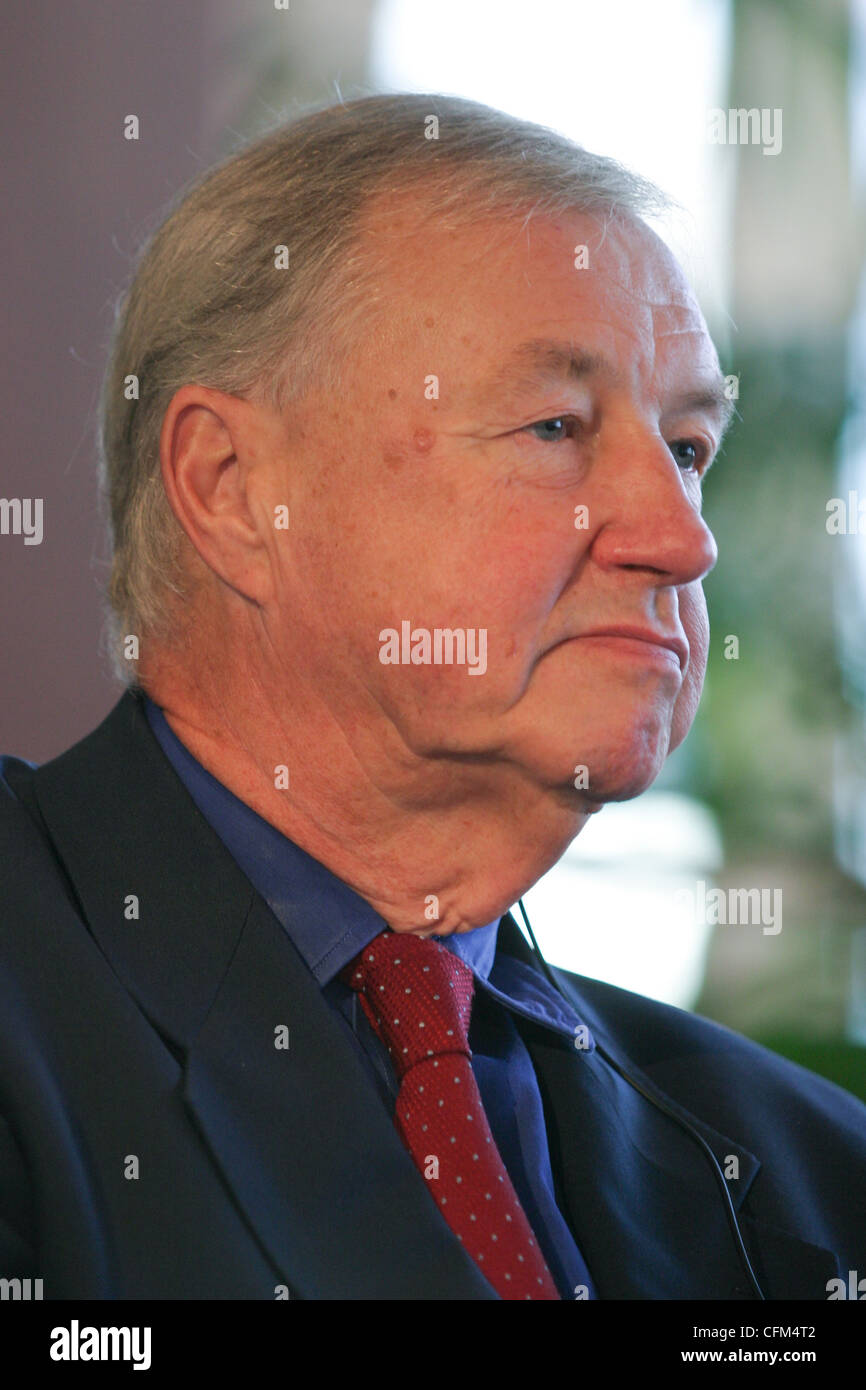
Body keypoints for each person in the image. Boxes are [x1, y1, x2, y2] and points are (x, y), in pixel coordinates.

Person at [1, 91, 864, 1302]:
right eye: (554, 425)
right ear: (234, 486)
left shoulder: (817, 1178)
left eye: (684, 449)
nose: (680, 538)